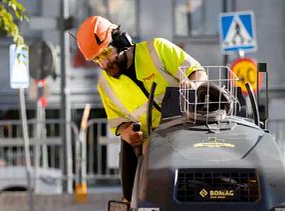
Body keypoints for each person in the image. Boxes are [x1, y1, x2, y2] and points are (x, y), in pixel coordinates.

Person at [76, 16, 207, 201]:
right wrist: (126, 132)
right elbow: (119, 123)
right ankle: (132, 206)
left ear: (121, 40)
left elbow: (197, 71)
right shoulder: (104, 85)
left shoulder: (157, 49)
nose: (104, 64)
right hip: (153, 143)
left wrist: (193, 85)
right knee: (129, 150)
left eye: (106, 53)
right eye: (97, 60)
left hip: (187, 127)